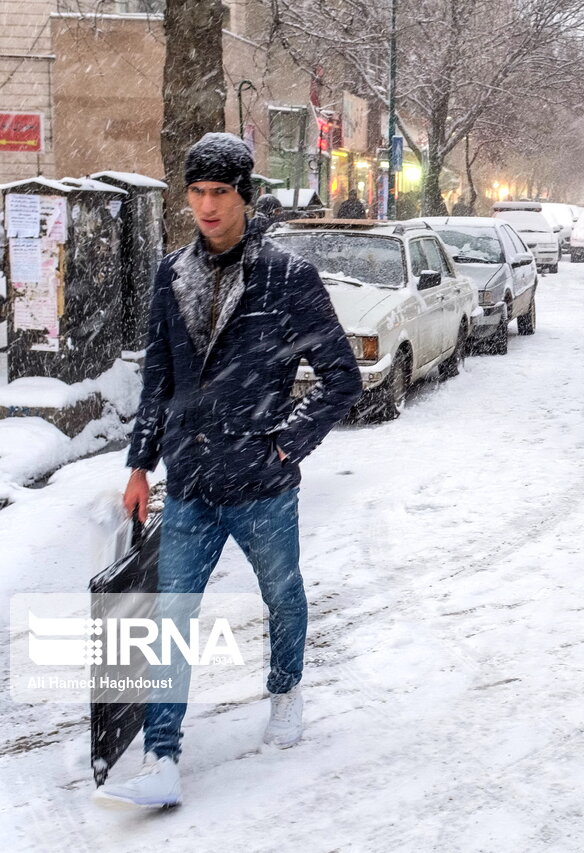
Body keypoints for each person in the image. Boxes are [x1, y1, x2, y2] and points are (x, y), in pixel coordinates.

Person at [96, 133, 362, 808]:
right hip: (189, 480)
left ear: (244, 196)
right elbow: (159, 377)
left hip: (262, 483)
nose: (207, 206)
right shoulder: (170, 274)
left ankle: (285, 688)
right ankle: (162, 756)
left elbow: (341, 378)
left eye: (220, 193)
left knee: (282, 594)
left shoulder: (287, 277)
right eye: (198, 193)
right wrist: (138, 463)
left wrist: (286, 444)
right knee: (170, 616)